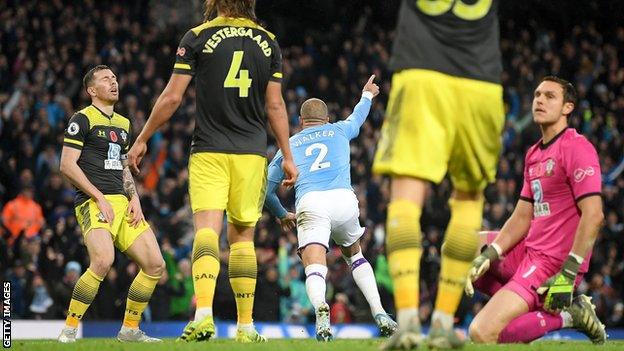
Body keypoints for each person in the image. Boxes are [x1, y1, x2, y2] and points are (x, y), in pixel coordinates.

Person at [126, 0, 297, 343]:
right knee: (243, 238)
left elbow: (173, 98)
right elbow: (275, 105)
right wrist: (287, 155)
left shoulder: (198, 36)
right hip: (251, 154)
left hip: (209, 150)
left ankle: (203, 315)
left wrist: (143, 137)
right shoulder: (269, 41)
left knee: (206, 231)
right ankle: (246, 327)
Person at [372, 1, 505, 349]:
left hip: (421, 71)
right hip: (481, 80)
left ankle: (407, 323)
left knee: (405, 199)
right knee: (468, 199)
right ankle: (444, 323)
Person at [465, 76, 607, 344]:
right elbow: (522, 216)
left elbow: (595, 215)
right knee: (458, 248)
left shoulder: (576, 148)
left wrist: (568, 272)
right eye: (537, 95)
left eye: (550, 96)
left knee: (482, 333)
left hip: (553, 263)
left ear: (568, 107)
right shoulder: (534, 154)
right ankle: (524, 304)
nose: (540, 100)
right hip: (529, 251)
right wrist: (489, 255)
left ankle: (567, 315)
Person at [264, 75, 397, 341]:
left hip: (311, 203)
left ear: (301, 122)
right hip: (344, 200)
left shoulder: (288, 147)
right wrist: (367, 95)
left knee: (314, 265)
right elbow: (358, 117)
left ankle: (320, 310)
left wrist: (281, 214)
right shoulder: (338, 130)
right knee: (356, 257)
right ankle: (380, 312)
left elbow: (266, 190)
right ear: (325, 119)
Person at [57, 65, 166, 343]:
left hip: (123, 203)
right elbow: (67, 165)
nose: (114, 82)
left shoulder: (124, 123)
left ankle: (130, 329)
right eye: (106, 79)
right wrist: (99, 197)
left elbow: (122, 166)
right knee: (103, 261)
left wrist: (135, 199)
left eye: (115, 78)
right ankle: (69, 329)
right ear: (92, 90)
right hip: (94, 202)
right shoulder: (82, 119)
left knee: (155, 265)